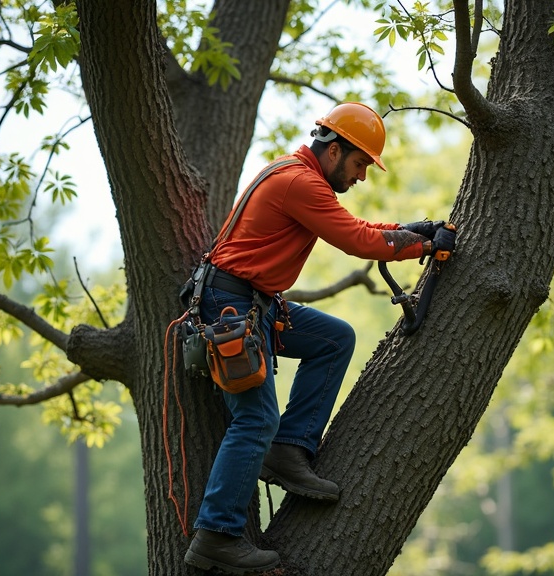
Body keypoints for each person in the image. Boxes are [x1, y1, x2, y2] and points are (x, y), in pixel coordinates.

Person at [184, 102, 456, 574]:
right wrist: (426, 244)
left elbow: (361, 230)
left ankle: (289, 451)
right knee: (254, 419)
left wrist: (412, 231)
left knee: (334, 339)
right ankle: (216, 536)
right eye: (359, 164)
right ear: (334, 151)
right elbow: (357, 241)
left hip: (256, 306)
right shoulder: (299, 183)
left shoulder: (299, 177)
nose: (362, 176)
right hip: (232, 308)